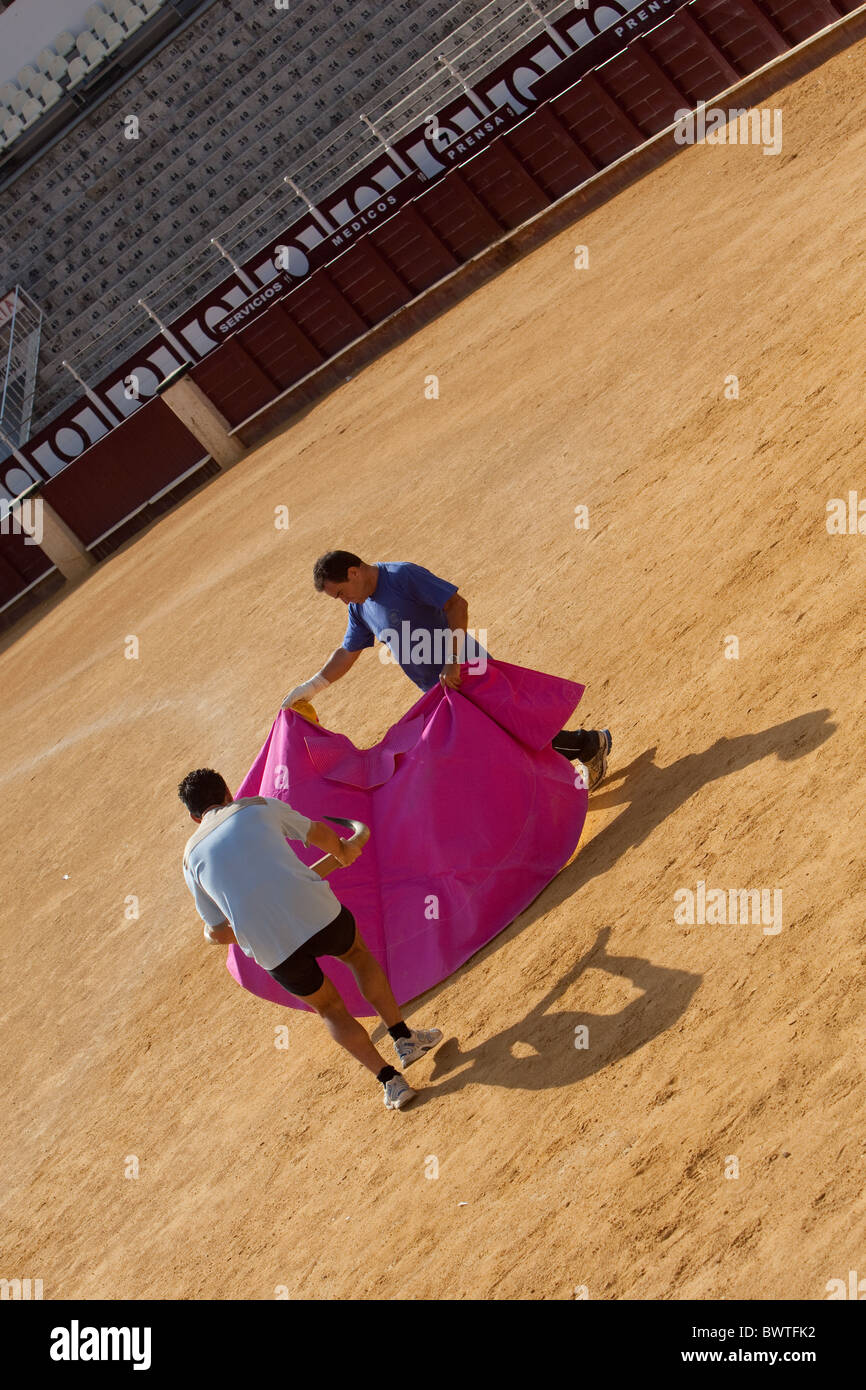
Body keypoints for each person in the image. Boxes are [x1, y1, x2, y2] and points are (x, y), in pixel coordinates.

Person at [178, 767, 441, 1110]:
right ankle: (404, 1039)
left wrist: (232, 934)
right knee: (357, 956)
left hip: (272, 946)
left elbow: (218, 929)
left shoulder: (190, 856)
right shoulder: (257, 806)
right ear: (228, 792)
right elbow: (317, 833)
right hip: (316, 911)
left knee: (329, 1009)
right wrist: (343, 851)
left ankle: (390, 1082)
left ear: (195, 817)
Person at [280, 550, 612, 787]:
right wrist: (309, 688)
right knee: (495, 739)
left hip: (465, 666)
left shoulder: (402, 576)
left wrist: (453, 660)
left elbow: (457, 605)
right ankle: (584, 749)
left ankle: (587, 747)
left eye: (340, 593)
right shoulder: (360, 608)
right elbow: (347, 653)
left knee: (507, 732)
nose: (343, 601)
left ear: (353, 572)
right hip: (439, 686)